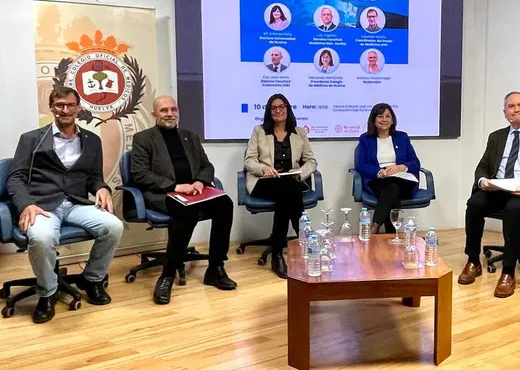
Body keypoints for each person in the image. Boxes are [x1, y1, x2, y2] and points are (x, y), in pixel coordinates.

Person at [7, 86, 124, 323]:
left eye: (71, 105)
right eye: (59, 105)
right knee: (41, 238)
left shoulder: (91, 140)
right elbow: (15, 177)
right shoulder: (32, 139)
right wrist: (25, 204)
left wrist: (101, 187)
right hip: (42, 205)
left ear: (79, 107)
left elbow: (94, 177)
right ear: (51, 108)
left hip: (76, 203)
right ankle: (47, 293)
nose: (65, 110)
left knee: (114, 227)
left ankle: (91, 279)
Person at [132, 95, 237, 305]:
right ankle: (167, 276)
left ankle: (215, 268)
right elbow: (140, 174)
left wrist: (199, 182)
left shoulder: (190, 136)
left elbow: (207, 166)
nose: (170, 114)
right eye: (164, 110)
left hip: (193, 192)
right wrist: (175, 187)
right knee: (185, 211)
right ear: (154, 115)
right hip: (164, 193)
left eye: (173, 109)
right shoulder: (143, 139)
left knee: (225, 204)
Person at [459, 91, 520, 298]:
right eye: (511, 107)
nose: (517, 109)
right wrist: (483, 181)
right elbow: (483, 166)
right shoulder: (496, 137)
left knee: (514, 208)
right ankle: (473, 261)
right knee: (475, 203)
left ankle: (508, 271)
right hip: (499, 187)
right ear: (505, 113)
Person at [245, 94, 317, 278]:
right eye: (274, 107)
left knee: (287, 189)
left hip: (291, 181)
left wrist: (301, 173)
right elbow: (250, 161)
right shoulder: (259, 131)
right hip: (265, 182)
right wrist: (264, 168)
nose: (278, 110)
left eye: (281, 107)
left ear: (288, 109)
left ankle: (277, 253)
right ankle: (305, 240)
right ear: (269, 111)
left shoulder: (299, 132)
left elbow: (311, 161)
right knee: (288, 190)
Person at [355, 103, 421, 233]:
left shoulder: (402, 137)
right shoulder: (365, 139)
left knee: (393, 186)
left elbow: (415, 162)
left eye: (388, 116)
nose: (384, 120)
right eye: (380, 116)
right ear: (374, 120)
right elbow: (360, 165)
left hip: (403, 179)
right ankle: (391, 236)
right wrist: (379, 172)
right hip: (379, 179)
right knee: (392, 190)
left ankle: (374, 227)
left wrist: (401, 167)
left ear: (392, 120)